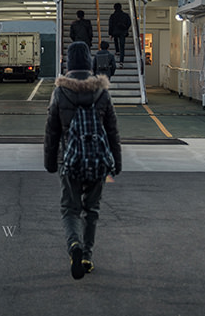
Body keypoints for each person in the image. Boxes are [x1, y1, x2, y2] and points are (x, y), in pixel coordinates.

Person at [44, 41, 122, 279]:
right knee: (92, 209)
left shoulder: (60, 92)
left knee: (70, 209)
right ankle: (87, 255)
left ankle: (74, 245)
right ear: (89, 63)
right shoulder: (102, 92)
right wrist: (117, 162)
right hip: (98, 162)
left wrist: (50, 161)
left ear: (68, 63)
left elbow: (52, 131)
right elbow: (112, 130)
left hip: (70, 160)